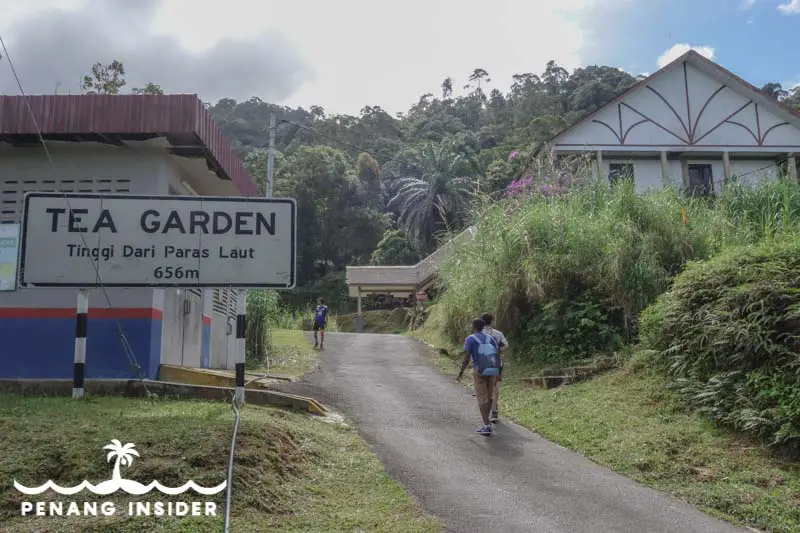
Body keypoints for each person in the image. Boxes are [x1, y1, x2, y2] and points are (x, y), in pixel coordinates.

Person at [457, 317, 504, 436]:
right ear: (483, 327)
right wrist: (498, 371)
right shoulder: (491, 338)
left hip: (480, 371)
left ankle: (486, 424)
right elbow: (497, 354)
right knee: (489, 396)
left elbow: (467, 357)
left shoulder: (470, 339)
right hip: (492, 369)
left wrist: (461, 372)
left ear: (473, 326)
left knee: (481, 397)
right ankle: (487, 423)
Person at [481, 313, 508, 423]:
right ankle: (494, 411)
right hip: (496, 363)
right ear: (491, 321)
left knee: (484, 388)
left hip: (483, 364)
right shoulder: (497, 333)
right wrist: (497, 351)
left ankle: (486, 412)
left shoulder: (479, 334)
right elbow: (506, 345)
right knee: (495, 387)